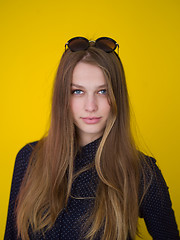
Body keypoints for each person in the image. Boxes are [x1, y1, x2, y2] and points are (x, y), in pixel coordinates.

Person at [4, 37, 180, 240]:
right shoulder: (29, 158)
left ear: (117, 96)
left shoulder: (141, 171)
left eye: (102, 91)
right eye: (77, 91)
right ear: (63, 97)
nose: (90, 106)